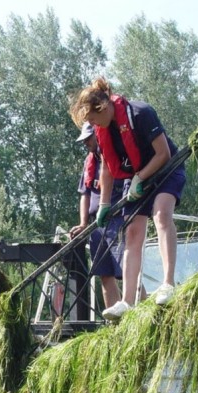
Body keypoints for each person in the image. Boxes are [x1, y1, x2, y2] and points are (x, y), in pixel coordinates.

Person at [69, 77, 186, 322]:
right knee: (132, 233)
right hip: (137, 178)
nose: (91, 124)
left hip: (165, 170)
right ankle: (127, 300)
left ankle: (167, 283)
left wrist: (141, 177)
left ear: (102, 107)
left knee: (161, 214)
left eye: (91, 118)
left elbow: (163, 153)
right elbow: (108, 169)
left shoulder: (140, 112)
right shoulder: (102, 131)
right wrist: (103, 205)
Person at [68, 122, 125, 310]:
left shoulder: (114, 154)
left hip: (118, 220)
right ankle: (114, 323)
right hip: (96, 226)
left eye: (88, 138)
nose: (86, 143)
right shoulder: (89, 161)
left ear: (99, 134)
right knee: (104, 273)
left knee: (126, 271)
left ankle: (140, 316)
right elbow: (84, 193)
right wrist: (84, 223)